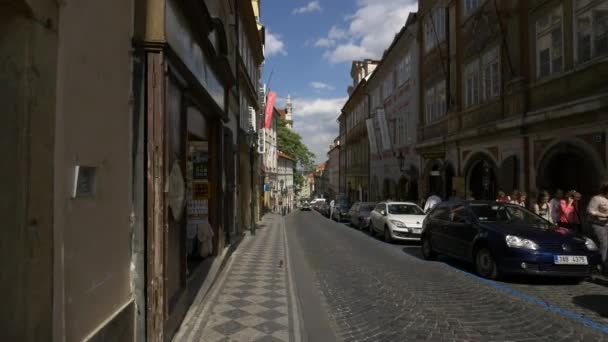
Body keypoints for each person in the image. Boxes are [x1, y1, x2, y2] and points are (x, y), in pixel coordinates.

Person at [587, 181, 608, 275]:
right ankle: (600, 266)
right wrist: (604, 215)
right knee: (604, 244)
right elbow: (590, 210)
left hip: (607, 224)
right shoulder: (596, 198)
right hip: (598, 224)